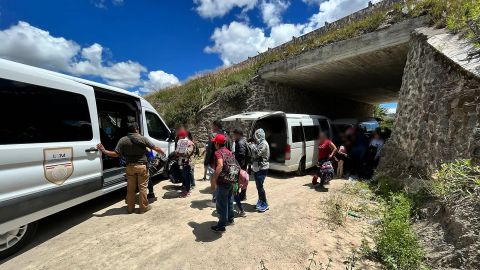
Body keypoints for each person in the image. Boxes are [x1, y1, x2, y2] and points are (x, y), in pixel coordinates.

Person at [97, 122, 165, 214]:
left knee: (130, 188)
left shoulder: (123, 140)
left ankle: (130, 208)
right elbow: (155, 148)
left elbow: (116, 154)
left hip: (130, 167)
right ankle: (143, 208)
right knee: (142, 188)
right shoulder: (143, 138)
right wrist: (162, 153)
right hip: (141, 167)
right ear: (136, 129)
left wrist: (104, 150)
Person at [210, 133, 236, 232]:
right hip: (231, 180)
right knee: (229, 201)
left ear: (217, 143)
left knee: (221, 204)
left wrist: (214, 179)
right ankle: (231, 219)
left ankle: (221, 226)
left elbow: (220, 165)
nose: (214, 144)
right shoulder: (229, 152)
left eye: (214, 142)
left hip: (222, 181)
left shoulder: (218, 152)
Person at [250, 128, 270, 213]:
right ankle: (261, 201)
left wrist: (253, 147)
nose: (255, 138)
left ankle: (265, 204)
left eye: (256, 136)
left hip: (262, 168)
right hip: (258, 167)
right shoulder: (260, 143)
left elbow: (257, 155)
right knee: (258, 187)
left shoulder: (263, 144)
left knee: (260, 187)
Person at [175, 129, 195, 198]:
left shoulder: (190, 143)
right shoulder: (180, 142)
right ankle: (186, 189)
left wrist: (179, 153)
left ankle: (188, 191)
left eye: (180, 136)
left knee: (187, 177)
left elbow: (188, 153)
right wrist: (176, 152)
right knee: (184, 176)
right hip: (182, 162)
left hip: (188, 163)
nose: (179, 138)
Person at [233, 128, 248, 202]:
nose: (234, 136)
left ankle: (240, 196)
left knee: (239, 180)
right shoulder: (243, 141)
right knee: (243, 180)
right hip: (243, 165)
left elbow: (241, 155)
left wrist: (238, 166)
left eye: (234, 134)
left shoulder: (240, 143)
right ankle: (242, 195)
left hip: (241, 165)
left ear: (238, 134)